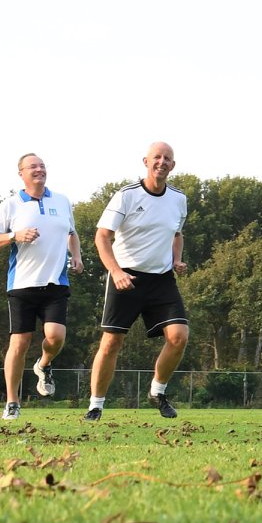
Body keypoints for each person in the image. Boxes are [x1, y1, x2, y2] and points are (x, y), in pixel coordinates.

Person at [86, 141, 189, 420]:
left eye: (167, 158)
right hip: (126, 276)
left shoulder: (179, 199)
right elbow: (102, 236)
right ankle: (96, 405)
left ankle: (157, 391)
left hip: (161, 280)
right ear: (146, 162)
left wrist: (176, 259)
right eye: (157, 157)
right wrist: (116, 272)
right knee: (111, 343)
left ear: (173, 165)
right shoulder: (126, 196)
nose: (162, 162)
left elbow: (177, 234)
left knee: (179, 336)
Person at [0, 153, 83, 419]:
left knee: (56, 337)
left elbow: (71, 233)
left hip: (55, 283)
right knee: (20, 342)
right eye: (33, 167)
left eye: (42, 166)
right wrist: (16, 235)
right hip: (23, 285)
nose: (39, 170)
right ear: (21, 174)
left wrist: (77, 256)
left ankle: (44, 365)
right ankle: (12, 402)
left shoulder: (61, 201)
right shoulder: (11, 205)